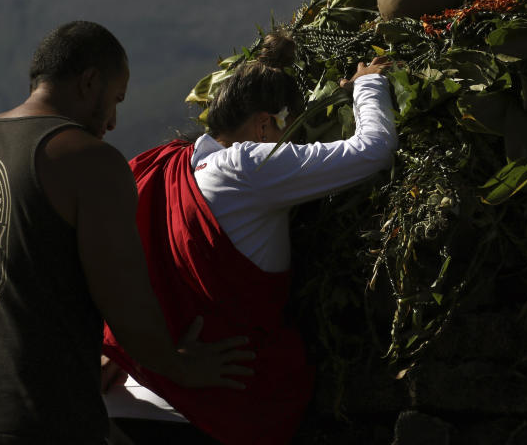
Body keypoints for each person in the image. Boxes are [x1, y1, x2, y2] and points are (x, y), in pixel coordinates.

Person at [0, 21, 254, 445]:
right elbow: (123, 296)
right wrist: (181, 366)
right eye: (115, 100)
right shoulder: (88, 161)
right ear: (90, 81)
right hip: (43, 425)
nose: (114, 121)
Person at [101, 33, 398, 444]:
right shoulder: (250, 164)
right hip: (203, 414)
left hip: (123, 404)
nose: (288, 144)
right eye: (285, 129)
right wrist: (369, 83)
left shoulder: (163, 164)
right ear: (263, 124)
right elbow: (372, 149)